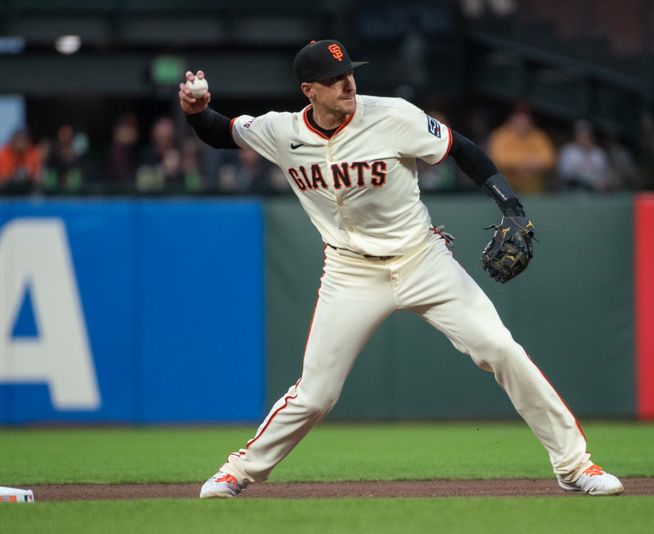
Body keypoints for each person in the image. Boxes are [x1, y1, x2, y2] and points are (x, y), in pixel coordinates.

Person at [179, 39, 623, 498]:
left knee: (500, 348)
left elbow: (462, 148)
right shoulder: (280, 130)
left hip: (422, 259)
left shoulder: (392, 114)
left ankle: (575, 466)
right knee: (316, 393)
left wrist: (510, 205)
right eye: (334, 79)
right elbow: (222, 131)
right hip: (349, 272)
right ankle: (240, 471)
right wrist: (196, 111)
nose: (347, 82)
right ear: (309, 90)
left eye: (349, 71)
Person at [488, 103, 555, 193]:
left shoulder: (537, 135)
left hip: (533, 189)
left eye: (525, 117)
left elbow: (550, 159)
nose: (522, 121)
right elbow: (498, 158)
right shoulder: (501, 135)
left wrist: (533, 164)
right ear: (511, 118)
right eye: (519, 117)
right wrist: (523, 162)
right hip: (506, 188)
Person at [557, 120, 614, 192]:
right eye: (581, 135)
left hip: (597, 191)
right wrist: (589, 182)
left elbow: (606, 173)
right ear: (576, 136)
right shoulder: (568, 151)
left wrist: (606, 181)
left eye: (587, 135)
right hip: (573, 191)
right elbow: (565, 176)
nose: (584, 138)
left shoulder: (598, 153)